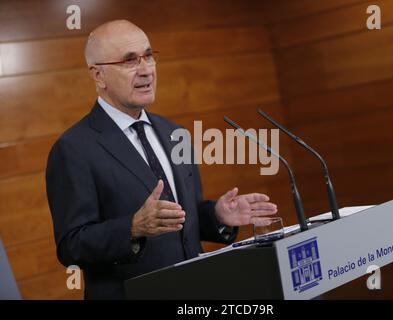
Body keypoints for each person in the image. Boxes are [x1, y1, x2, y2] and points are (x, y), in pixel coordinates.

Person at [45, 20, 278, 299]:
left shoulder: (174, 132)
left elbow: (181, 218)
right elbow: (71, 246)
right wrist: (132, 228)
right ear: (98, 76)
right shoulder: (73, 149)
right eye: (130, 61)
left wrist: (217, 215)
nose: (146, 70)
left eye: (148, 56)